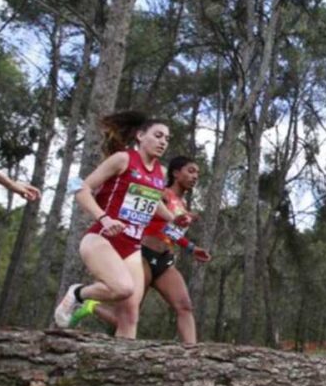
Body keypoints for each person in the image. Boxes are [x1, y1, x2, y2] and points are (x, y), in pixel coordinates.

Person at [53, 111, 190, 339]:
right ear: (140, 136)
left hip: (132, 247)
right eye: (158, 136)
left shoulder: (160, 172)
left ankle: (121, 367)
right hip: (102, 238)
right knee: (122, 288)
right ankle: (78, 293)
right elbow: (81, 188)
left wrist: (172, 218)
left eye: (167, 139)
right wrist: (104, 218)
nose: (163, 142)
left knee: (129, 316)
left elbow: (152, 201)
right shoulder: (123, 159)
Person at [72, 156, 212, 344]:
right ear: (176, 173)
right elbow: (147, 220)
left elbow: (170, 232)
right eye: (191, 171)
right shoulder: (161, 193)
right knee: (128, 316)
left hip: (165, 261)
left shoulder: (183, 205)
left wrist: (191, 248)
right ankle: (90, 305)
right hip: (143, 255)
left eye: (197, 173)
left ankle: (192, 356)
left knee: (184, 306)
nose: (195, 177)